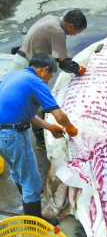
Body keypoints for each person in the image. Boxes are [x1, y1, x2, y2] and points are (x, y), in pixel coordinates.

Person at [0, 54, 78, 226]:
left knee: (17, 171)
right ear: (45, 70)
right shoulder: (36, 82)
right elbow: (58, 115)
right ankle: (35, 223)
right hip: (13, 136)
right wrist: (70, 127)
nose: (49, 80)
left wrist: (50, 127)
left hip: (3, 135)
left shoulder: (15, 75)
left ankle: (29, 203)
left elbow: (26, 114)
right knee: (33, 182)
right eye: (50, 76)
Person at [12, 9, 87, 149]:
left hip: (22, 57)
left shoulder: (52, 18)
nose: (75, 34)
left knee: (33, 102)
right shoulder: (58, 32)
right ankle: (41, 142)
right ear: (70, 25)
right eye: (77, 31)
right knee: (38, 104)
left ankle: (41, 137)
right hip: (27, 64)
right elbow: (64, 63)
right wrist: (79, 69)